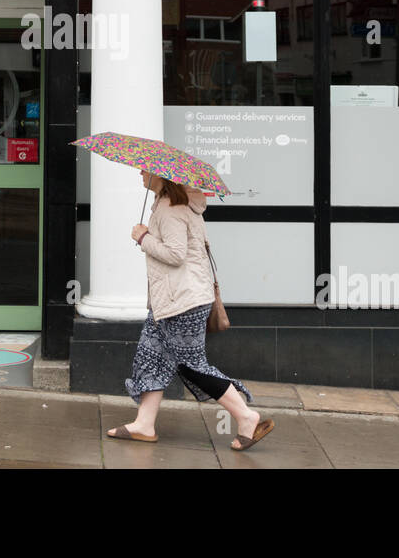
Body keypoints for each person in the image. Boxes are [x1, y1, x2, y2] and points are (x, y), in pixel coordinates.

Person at [105, 168, 274, 451]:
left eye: (146, 169)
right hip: (170, 301)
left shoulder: (172, 209)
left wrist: (143, 237)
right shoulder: (169, 203)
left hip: (182, 302)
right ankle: (144, 424)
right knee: (150, 357)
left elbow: (175, 254)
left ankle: (247, 417)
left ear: (161, 176)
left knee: (191, 366)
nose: (140, 172)